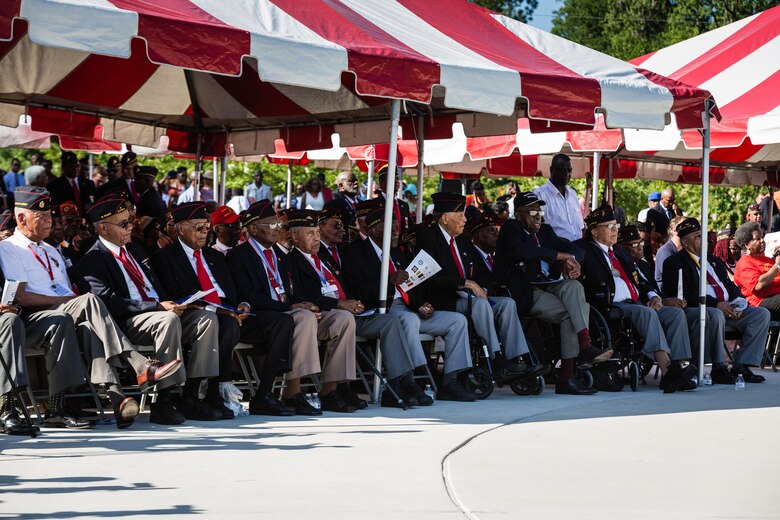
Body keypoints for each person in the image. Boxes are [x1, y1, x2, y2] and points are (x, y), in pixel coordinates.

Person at [0, 187, 182, 428]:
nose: (48, 221)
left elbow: (65, 290)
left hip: (63, 315)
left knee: (87, 326)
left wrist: (71, 302)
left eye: (49, 216)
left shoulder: (52, 251)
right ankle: (138, 363)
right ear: (21, 219)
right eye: (41, 217)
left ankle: (109, 400)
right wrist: (69, 302)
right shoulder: (10, 248)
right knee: (90, 301)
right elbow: (21, 296)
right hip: (36, 316)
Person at [78, 197, 223, 425]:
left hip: (160, 311)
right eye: (123, 224)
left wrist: (179, 302)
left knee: (206, 318)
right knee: (167, 321)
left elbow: (157, 287)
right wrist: (156, 307)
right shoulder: (92, 259)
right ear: (103, 227)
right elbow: (108, 302)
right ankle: (163, 401)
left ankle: (191, 395)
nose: (130, 228)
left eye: (130, 222)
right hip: (127, 322)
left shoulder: (135, 249)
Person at [151, 202, 295, 417]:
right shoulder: (165, 257)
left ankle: (261, 394)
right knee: (221, 322)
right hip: (193, 314)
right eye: (198, 228)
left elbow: (235, 291)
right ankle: (194, 394)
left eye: (206, 227)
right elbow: (173, 295)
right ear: (181, 229)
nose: (204, 233)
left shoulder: (214, 257)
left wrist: (243, 305)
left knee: (282, 321)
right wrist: (217, 310)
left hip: (228, 313)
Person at [227, 201, 362, 414]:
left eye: (277, 225)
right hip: (260, 315)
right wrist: (290, 306)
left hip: (289, 311)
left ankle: (330, 390)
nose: (277, 229)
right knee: (303, 317)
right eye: (271, 225)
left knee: (342, 318)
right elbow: (247, 294)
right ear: (253, 228)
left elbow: (293, 290)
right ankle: (292, 392)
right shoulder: (239, 255)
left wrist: (305, 303)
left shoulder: (281, 256)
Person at [286, 209, 432, 404]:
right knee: (344, 320)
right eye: (311, 233)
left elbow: (347, 287)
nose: (316, 238)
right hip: (325, 314)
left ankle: (398, 383)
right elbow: (303, 296)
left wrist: (354, 302)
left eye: (317, 233)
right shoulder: (289, 260)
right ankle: (332, 390)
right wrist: (339, 303)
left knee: (390, 322)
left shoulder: (325, 258)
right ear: (295, 236)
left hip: (353, 311)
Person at [342, 205, 474, 404]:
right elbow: (357, 290)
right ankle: (409, 380)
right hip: (380, 310)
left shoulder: (398, 253)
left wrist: (422, 304)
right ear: (375, 229)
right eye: (392, 226)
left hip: (410, 309)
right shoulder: (355, 253)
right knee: (408, 319)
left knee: (457, 320)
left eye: (397, 226)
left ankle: (450, 382)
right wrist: (389, 280)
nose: (398, 231)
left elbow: (414, 286)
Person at [493, 192, 613, 395]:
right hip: (524, 291)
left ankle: (584, 347)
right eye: (532, 212)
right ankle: (568, 375)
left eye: (540, 211)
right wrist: (561, 256)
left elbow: (574, 247)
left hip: (548, 285)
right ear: (519, 215)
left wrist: (573, 261)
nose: (538, 216)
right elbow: (524, 251)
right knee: (572, 314)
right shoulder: (510, 229)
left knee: (574, 286)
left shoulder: (545, 231)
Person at [416, 192, 538, 384]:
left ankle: (517, 358)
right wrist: (466, 283)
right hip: (445, 299)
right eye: (460, 215)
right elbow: (429, 277)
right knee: (480, 304)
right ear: (446, 218)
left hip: (469, 297)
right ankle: (496, 358)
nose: (465, 219)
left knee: (506, 303)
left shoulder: (463, 240)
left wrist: (484, 287)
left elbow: (482, 273)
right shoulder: (428, 239)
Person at [574, 206, 698, 393]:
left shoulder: (620, 252)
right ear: (594, 232)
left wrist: (654, 296)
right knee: (646, 313)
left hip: (638, 302)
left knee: (674, 314)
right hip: (610, 305)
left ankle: (680, 366)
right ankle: (667, 372)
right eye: (609, 226)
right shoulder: (584, 249)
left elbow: (641, 281)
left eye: (615, 225)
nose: (615, 229)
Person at [662, 218, 770, 384]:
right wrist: (717, 304)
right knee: (715, 313)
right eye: (697, 236)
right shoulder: (675, 262)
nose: (703, 239)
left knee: (761, 314)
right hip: (702, 309)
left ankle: (741, 366)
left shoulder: (714, 261)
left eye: (702, 235)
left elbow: (730, 285)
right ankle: (719, 367)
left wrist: (739, 302)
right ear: (685, 241)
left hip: (729, 308)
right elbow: (684, 294)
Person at [733, 221, 780, 320]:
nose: (762, 241)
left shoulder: (769, 259)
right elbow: (759, 285)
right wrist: (777, 265)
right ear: (746, 245)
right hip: (760, 303)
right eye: (758, 239)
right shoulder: (744, 263)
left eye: (762, 237)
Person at [533, 153, 584, 242]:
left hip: (578, 250)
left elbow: (579, 226)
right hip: (555, 253)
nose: (566, 174)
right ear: (551, 170)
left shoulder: (573, 194)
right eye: (562, 170)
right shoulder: (539, 195)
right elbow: (537, 231)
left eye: (569, 170)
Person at [46, 151, 96, 216]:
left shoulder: (88, 183)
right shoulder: (54, 186)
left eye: (77, 166)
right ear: (64, 168)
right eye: (71, 167)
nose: (75, 169)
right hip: (67, 221)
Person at [375, 165, 411, 236]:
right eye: (392, 177)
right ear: (381, 182)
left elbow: (409, 228)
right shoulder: (374, 204)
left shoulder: (404, 205)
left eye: (397, 177)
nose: (397, 180)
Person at [654, 215, 687, 284]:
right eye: (686, 227)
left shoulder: (685, 250)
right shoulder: (664, 252)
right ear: (675, 230)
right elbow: (672, 277)